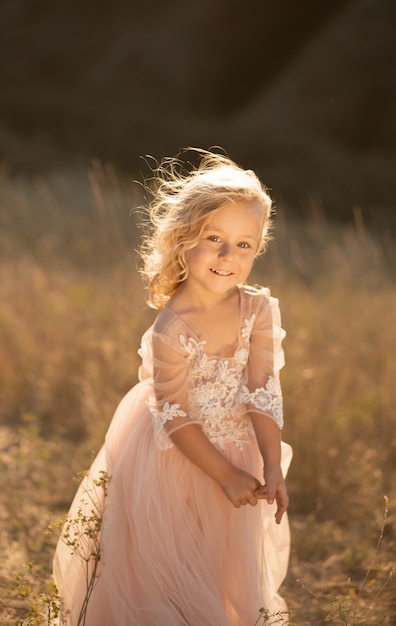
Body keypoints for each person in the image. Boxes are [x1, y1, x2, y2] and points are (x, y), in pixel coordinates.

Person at [53, 148, 293, 626]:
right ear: (184, 240)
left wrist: (271, 464)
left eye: (245, 245)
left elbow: (262, 390)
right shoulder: (171, 327)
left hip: (238, 446)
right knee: (165, 569)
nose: (229, 256)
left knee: (221, 568)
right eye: (215, 239)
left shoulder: (259, 310)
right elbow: (175, 415)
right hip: (171, 456)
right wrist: (223, 474)